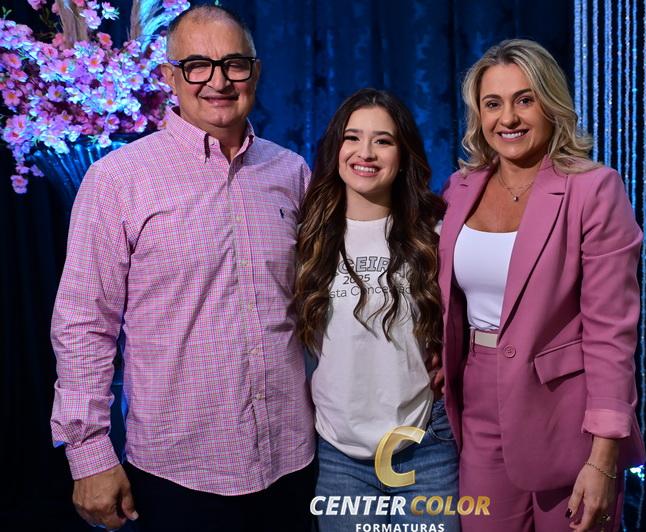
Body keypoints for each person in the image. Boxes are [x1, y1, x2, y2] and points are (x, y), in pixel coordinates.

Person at [50, 5, 315, 531]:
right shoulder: (117, 180)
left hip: (291, 459)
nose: (218, 81)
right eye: (197, 65)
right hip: (178, 472)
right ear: (169, 77)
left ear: (255, 72)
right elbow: (84, 322)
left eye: (234, 63)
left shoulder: (291, 171)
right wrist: (89, 454)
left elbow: (319, 303)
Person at [437, 39, 646, 532]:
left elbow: (611, 333)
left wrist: (603, 457)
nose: (508, 118)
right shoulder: (459, 188)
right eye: (493, 104)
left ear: (551, 104)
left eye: (525, 100)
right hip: (478, 398)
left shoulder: (594, 189)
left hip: (567, 412)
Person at [294, 88, 459, 531]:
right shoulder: (308, 237)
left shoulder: (436, 232)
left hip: (426, 446)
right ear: (336, 148)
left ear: (403, 156)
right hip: (339, 455)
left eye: (382, 140)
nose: (365, 152)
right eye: (353, 137)